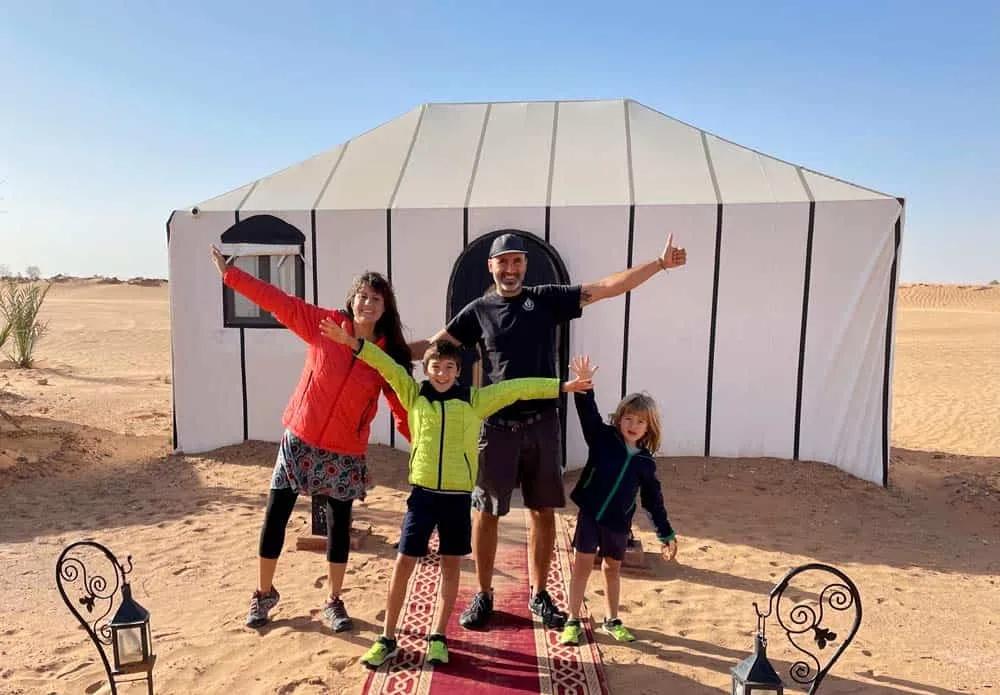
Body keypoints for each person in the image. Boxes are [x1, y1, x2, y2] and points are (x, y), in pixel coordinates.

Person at [411, 230, 687, 630]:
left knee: (543, 511)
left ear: (525, 264)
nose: (509, 269)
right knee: (486, 512)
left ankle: (539, 595)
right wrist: (372, 350)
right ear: (491, 266)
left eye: (516, 261)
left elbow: (608, 287)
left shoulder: (546, 299)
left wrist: (658, 264)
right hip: (497, 426)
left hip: (542, 424)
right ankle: (484, 595)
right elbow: (434, 348)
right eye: (502, 262)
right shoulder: (478, 310)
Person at [319, 318, 594, 666]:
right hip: (422, 496)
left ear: (458, 371)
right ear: (427, 368)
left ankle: (438, 636)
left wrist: (562, 386)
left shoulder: (475, 400)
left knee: (451, 568)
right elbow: (386, 365)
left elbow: (517, 388)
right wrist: (352, 342)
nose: (442, 373)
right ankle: (387, 636)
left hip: (456, 499)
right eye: (435, 366)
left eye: (449, 367)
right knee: (404, 562)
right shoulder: (414, 394)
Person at [209, 246, 412, 632]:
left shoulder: (387, 358)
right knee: (275, 517)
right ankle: (263, 593)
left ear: (386, 309)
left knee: (338, 526)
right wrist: (232, 275)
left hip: (343, 451)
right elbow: (279, 302)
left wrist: (419, 445)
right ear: (352, 300)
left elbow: (403, 406)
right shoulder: (324, 325)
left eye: (376, 299)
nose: (368, 303)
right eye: (363, 296)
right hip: (299, 439)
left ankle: (333, 601)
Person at [557, 356, 678, 646]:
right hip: (590, 516)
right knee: (582, 566)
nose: (633, 425)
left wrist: (665, 533)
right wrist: (584, 384)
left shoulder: (646, 463)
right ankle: (573, 619)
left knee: (612, 569)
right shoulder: (602, 439)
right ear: (619, 418)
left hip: (618, 524)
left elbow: (653, 501)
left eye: (640, 421)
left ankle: (612, 619)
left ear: (649, 428)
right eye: (628, 418)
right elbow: (588, 412)